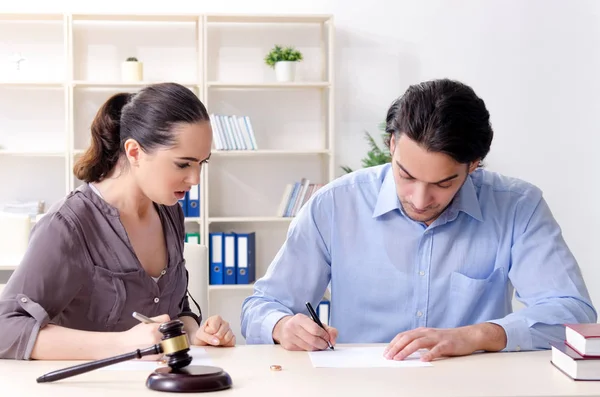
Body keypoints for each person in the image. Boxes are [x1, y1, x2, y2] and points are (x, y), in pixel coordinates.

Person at [241, 78, 597, 361]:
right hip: (360, 386)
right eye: (406, 175)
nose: (420, 199)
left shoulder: (518, 206)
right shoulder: (334, 205)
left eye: (443, 183)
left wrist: (477, 335)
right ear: (391, 144)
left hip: (475, 386)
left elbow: (573, 314)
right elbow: (260, 307)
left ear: (474, 165)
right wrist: (283, 325)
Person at [0, 82, 235, 360]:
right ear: (134, 152)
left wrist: (196, 332)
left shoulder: (170, 211)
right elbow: (6, 328)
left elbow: (173, 309)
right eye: (183, 164)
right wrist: (123, 344)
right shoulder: (68, 226)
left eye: (201, 163)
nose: (195, 179)